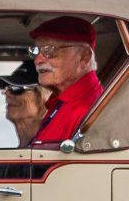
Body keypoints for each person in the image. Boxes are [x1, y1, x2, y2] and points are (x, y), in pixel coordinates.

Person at [28, 16, 104, 147]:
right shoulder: (62, 103)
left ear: (84, 57)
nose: (37, 60)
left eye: (49, 50)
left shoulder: (89, 111)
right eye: (37, 51)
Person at [0, 60, 46, 147]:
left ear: (43, 96)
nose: (7, 94)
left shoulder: (56, 147)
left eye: (16, 88)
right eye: (6, 88)